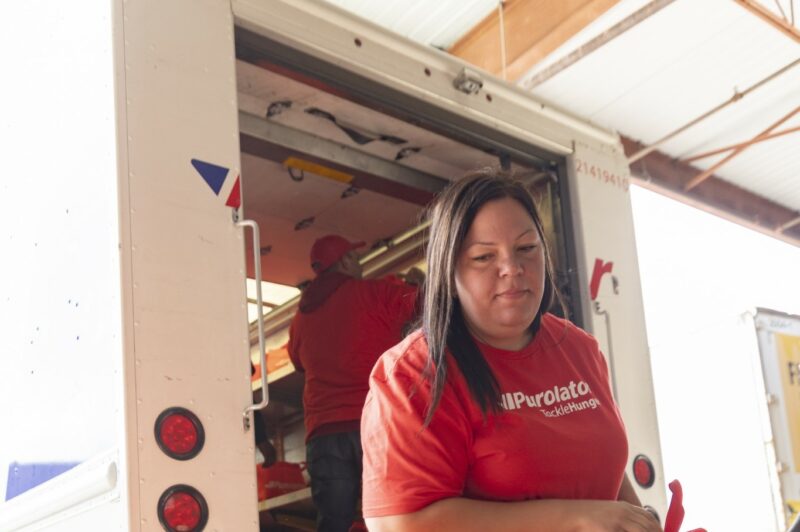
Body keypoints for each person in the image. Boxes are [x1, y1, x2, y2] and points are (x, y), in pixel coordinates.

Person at [360, 169, 662, 532]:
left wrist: (632, 520)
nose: (512, 269)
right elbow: (399, 524)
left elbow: (607, 479)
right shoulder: (413, 374)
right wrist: (574, 518)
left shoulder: (579, 348)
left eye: (526, 249)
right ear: (449, 273)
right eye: (484, 257)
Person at [288, 234, 420, 532]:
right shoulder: (373, 293)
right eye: (356, 258)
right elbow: (426, 306)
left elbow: (297, 362)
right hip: (375, 425)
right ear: (347, 260)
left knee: (333, 523)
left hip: (323, 434)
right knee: (397, 516)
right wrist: (415, 284)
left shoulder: (300, 319)